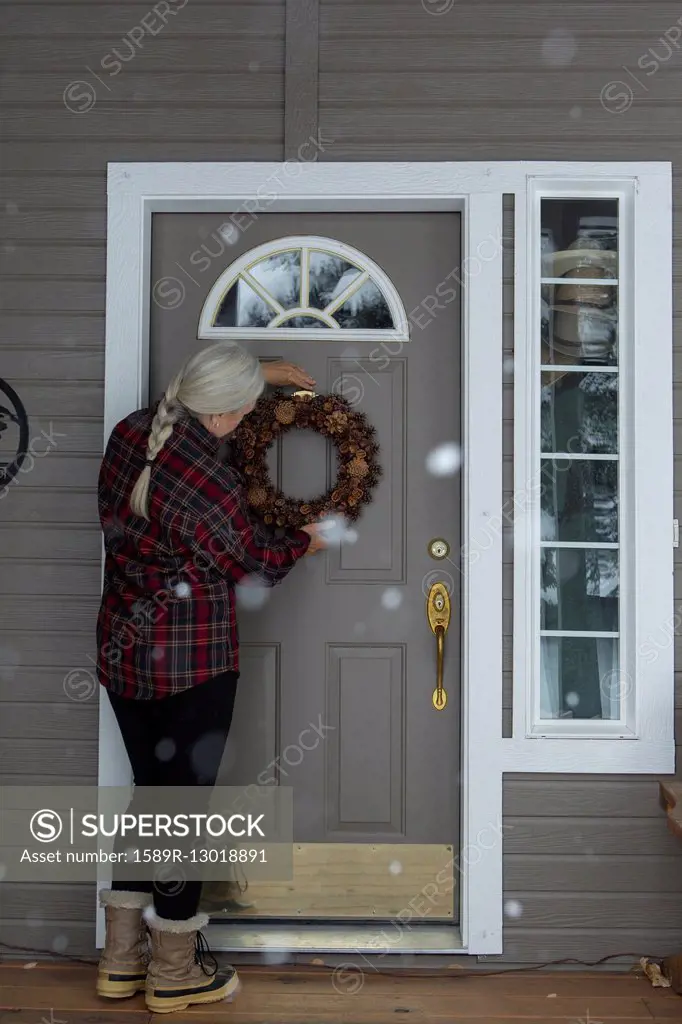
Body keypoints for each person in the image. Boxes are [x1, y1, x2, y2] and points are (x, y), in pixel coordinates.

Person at [94, 342, 326, 1014]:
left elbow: (194, 417)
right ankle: (173, 969)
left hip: (122, 650)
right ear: (225, 414)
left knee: (153, 798)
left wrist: (263, 374)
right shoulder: (207, 480)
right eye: (248, 409)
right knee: (183, 812)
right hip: (190, 658)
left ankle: (119, 958)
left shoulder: (133, 432)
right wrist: (305, 540)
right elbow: (254, 561)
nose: (252, 416)